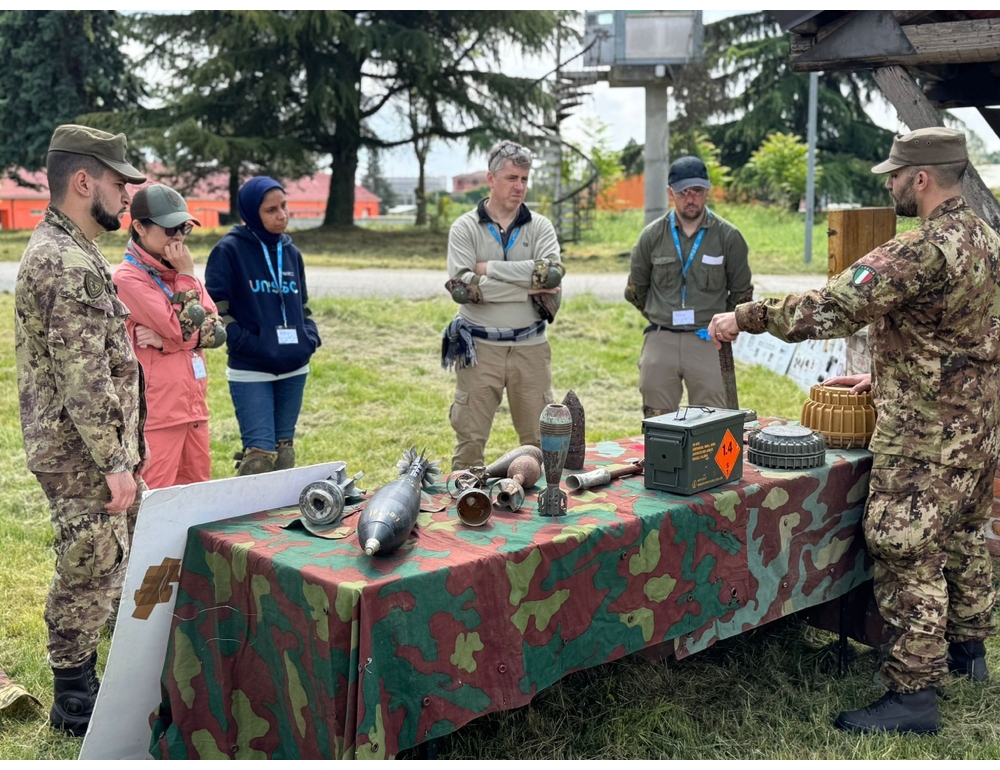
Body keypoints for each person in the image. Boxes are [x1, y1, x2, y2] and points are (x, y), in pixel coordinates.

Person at [709, 127, 999, 735]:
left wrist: (746, 316)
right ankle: (968, 653)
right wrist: (889, 375)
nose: (890, 185)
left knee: (904, 548)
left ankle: (913, 694)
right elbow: (968, 332)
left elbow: (831, 306)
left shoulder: (921, 248)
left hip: (925, 439)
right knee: (964, 536)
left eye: (895, 176)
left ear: (921, 178)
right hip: (978, 432)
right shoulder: (987, 240)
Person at [14, 124, 147, 736]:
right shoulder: (64, 261)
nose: (128, 195)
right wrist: (115, 462)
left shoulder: (76, 248)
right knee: (89, 561)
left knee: (109, 560)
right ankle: (73, 697)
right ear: (85, 181)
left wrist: (127, 451)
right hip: (80, 452)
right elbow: (84, 377)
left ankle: (99, 676)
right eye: (120, 183)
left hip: (94, 447)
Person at [441, 139, 563, 470]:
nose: (520, 186)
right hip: (479, 348)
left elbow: (552, 275)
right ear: (491, 179)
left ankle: (542, 502)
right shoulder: (465, 227)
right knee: (469, 443)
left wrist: (488, 269)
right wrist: (528, 288)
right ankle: (466, 500)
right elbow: (462, 288)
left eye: (524, 179)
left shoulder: (540, 226)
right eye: (512, 178)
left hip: (531, 349)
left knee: (540, 442)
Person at [205, 176, 321, 475]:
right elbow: (215, 306)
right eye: (271, 210)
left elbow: (302, 305)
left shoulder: (291, 252)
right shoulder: (229, 250)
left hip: (294, 365)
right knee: (259, 460)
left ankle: (278, 509)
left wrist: (309, 336)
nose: (282, 215)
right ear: (250, 212)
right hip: (251, 367)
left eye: (284, 206)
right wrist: (245, 341)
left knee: (284, 455)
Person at [112, 184, 225, 489]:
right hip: (158, 415)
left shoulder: (179, 272)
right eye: (169, 228)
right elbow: (181, 327)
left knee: (197, 498)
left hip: (193, 408)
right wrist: (186, 276)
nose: (178, 238)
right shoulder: (127, 278)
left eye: (183, 228)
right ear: (140, 227)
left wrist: (166, 342)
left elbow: (216, 331)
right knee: (157, 501)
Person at [625, 156, 752, 417]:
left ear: (707, 191)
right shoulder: (651, 236)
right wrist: (661, 312)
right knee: (657, 417)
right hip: (662, 335)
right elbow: (636, 290)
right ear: (670, 193)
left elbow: (741, 293)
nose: (690, 198)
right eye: (683, 192)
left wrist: (722, 324)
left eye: (697, 190)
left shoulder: (728, 237)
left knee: (712, 418)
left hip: (708, 338)